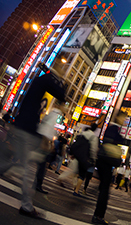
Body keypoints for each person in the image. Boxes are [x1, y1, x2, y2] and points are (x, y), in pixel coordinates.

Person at [0, 66, 67, 220]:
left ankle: (26, 205)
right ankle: (26, 206)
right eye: (62, 69)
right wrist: (61, 79)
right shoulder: (47, 78)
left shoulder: (40, 80)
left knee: (25, 165)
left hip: (25, 125)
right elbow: (61, 93)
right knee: (27, 168)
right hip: (28, 128)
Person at [92, 114, 125, 225]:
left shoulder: (111, 128)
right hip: (105, 163)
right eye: (123, 118)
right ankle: (98, 216)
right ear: (118, 118)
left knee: (104, 188)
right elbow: (113, 140)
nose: (124, 120)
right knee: (105, 191)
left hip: (103, 162)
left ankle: (98, 215)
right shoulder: (113, 128)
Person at [72, 123, 99, 197]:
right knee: (82, 175)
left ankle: (75, 185)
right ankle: (76, 191)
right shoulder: (93, 137)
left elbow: (76, 142)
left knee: (77, 172)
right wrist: (93, 159)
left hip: (77, 154)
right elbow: (93, 150)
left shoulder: (83, 133)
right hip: (85, 157)